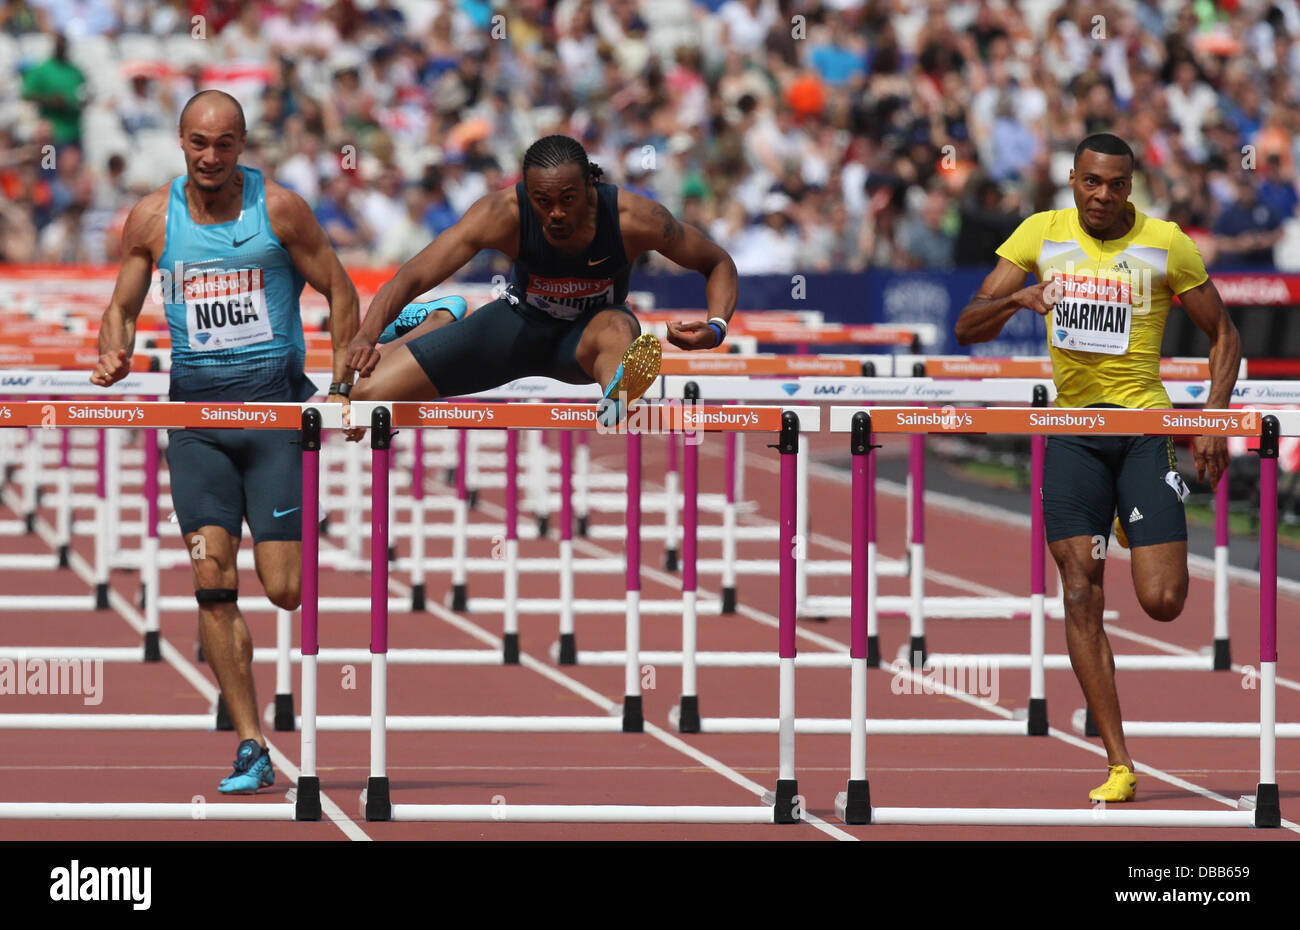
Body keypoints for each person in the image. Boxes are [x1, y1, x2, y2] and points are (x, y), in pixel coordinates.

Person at [954, 133, 1242, 803]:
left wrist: (1214, 415)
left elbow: (1222, 332)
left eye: (1115, 185)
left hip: (1142, 430)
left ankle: (1130, 510)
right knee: (1081, 591)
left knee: (1163, 602)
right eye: (1091, 182)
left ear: (1130, 187)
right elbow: (967, 326)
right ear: (1073, 180)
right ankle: (1119, 762)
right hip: (1074, 435)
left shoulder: (1167, 243)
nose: (1102, 195)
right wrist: (1016, 301)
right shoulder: (1038, 234)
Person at [90, 90, 361, 793]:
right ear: (181, 142)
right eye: (199, 143)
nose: (212, 157)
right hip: (196, 428)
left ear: (243, 144)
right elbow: (118, 308)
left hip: (275, 421)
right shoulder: (153, 216)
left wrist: (339, 389)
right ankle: (252, 745)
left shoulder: (281, 210)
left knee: (285, 590)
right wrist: (112, 350)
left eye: (226, 143)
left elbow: (338, 288)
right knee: (212, 584)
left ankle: (289, 520)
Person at [343, 135, 739, 425]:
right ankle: (440, 318)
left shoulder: (635, 219)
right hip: (516, 327)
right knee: (363, 398)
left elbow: (717, 261)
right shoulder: (502, 213)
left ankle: (618, 394)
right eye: (542, 201)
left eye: (567, 199)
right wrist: (367, 334)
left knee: (617, 326)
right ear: (525, 192)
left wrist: (717, 327)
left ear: (590, 186)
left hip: (586, 337)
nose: (555, 214)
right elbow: (414, 274)